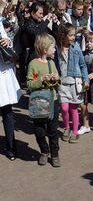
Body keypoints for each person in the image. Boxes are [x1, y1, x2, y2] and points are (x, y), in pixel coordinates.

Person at [27, 34, 61, 167]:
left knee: (53, 130)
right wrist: (41, 80)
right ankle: (44, 151)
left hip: (52, 100)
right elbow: (29, 84)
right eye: (53, 47)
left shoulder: (52, 63)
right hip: (38, 102)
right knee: (39, 131)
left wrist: (54, 79)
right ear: (45, 49)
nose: (55, 50)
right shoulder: (33, 64)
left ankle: (55, 154)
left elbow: (58, 81)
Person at [56, 23, 88, 143]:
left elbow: (83, 65)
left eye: (74, 35)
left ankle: (75, 131)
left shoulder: (76, 47)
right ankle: (66, 127)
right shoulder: (57, 48)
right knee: (64, 108)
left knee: (74, 108)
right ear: (63, 35)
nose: (73, 37)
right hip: (62, 82)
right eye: (70, 35)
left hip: (74, 82)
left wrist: (86, 79)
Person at [0, 17, 21, 160]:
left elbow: (8, 42)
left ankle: (11, 147)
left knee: (7, 113)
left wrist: (8, 41)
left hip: (3, 74)